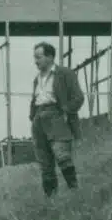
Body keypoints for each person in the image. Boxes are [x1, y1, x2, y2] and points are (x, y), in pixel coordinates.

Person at [29, 42, 85, 197]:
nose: (36, 61)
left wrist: (64, 111)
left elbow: (78, 98)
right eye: (35, 57)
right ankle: (51, 201)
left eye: (39, 57)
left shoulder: (65, 73)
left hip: (56, 117)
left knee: (62, 156)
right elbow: (34, 100)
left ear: (50, 57)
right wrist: (33, 117)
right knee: (44, 164)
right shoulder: (37, 79)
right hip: (39, 121)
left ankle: (76, 193)